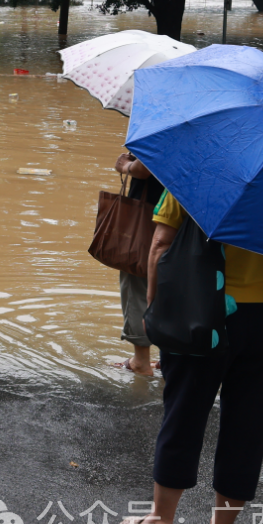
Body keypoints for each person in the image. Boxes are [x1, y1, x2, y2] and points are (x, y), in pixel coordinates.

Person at [118, 189, 263, 524]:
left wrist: (155, 309)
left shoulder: (194, 172)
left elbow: (159, 244)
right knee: (248, 423)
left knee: (183, 412)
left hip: (198, 307)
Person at [113, 151, 162, 377]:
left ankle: (141, 361)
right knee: (172, 286)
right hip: (189, 216)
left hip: (151, 213)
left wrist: (126, 166)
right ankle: (169, 358)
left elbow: (147, 166)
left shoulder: (164, 120)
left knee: (137, 280)